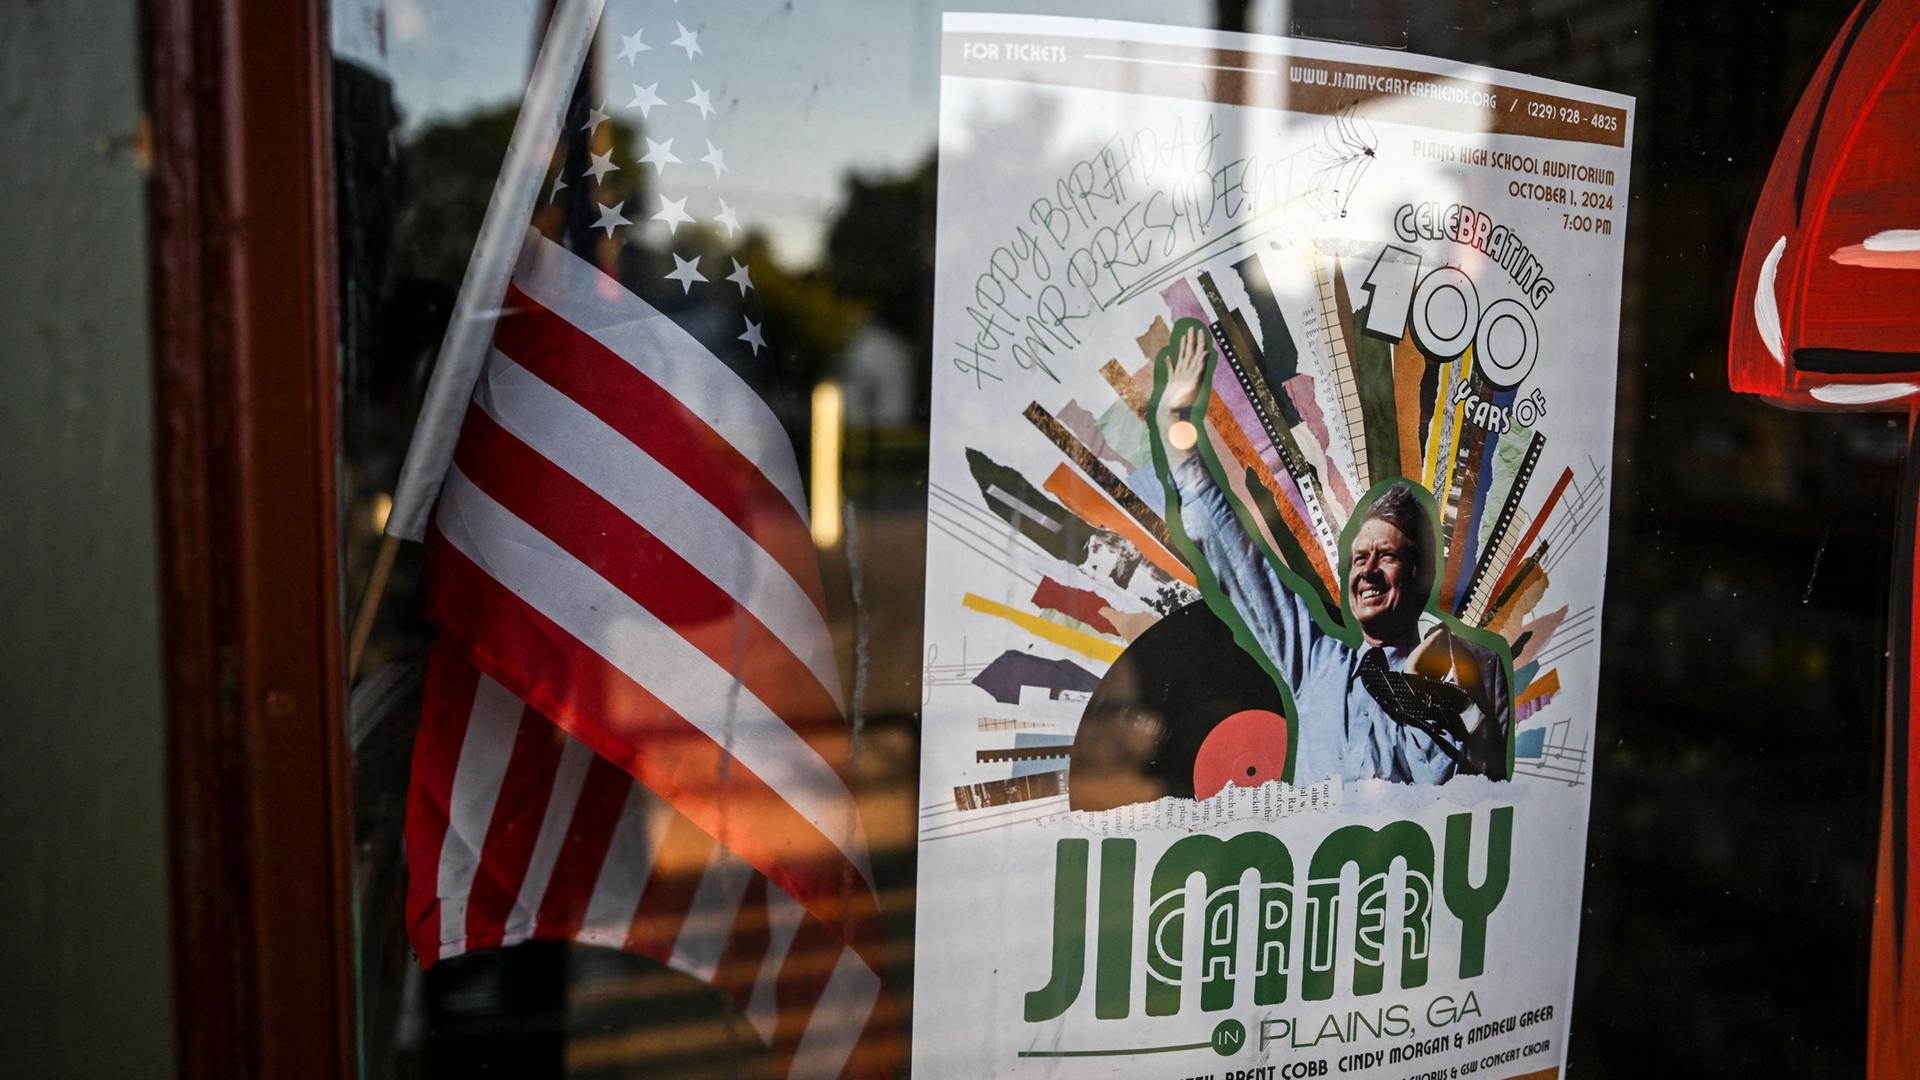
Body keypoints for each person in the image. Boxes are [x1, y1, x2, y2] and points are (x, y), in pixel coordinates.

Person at [1153, 327, 1511, 784]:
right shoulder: (1316, 665)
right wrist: (1174, 428)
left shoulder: (1472, 667)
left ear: (1419, 573)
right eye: (1359, 559)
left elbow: (1468, 793)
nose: (1367, 572)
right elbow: (1240, 563)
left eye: (1385, 556)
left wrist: (1434, 697)